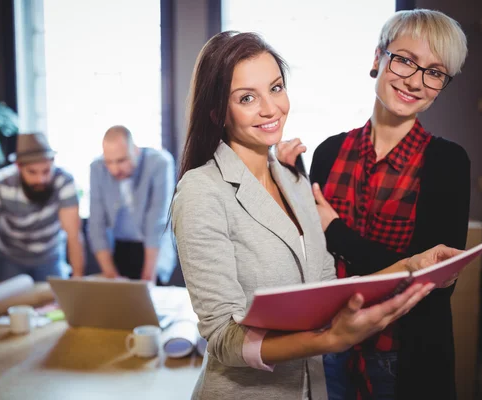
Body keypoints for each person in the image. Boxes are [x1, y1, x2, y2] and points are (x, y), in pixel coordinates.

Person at [171, 31, 462, 400]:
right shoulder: (202, 190)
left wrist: (413, 265)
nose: (270, 108)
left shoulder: (293, 182)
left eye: (276, 88)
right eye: (247, 98)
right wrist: (330, 339)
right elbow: (223, 338)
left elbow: (327, 288)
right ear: (217, 112)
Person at [277, 9, 470, 400]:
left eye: (434, 71)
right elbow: (313, 257)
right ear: (377, 58)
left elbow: (432, 283)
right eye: (405, 60)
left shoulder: (448, 162)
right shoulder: (330, 151)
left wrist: (335, 230)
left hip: (403, 360)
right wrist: (282, 184)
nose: (415, 81)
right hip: (330, 348)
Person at [0, 132, 84, 283]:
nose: (41, 179)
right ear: (18, 166)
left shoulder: (64, 181)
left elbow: (74, 235)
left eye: (46, 171)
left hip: (50, 256)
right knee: (12, 302)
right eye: (32, 172)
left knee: (56, 301)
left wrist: (77, 279)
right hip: (10, 257)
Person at [88, 125, 176, 283]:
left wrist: (148, 278)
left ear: (135, 150)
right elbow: (96, 224)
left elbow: (156, 222)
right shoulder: (97, 168)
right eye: (109, 162)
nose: (114, 170)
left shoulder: (159, 163)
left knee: (152, 298)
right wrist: (111, 275)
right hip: (120, 245)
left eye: (121, 161)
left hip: (154, 247)